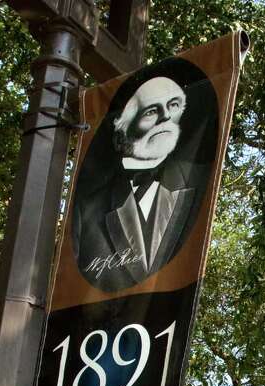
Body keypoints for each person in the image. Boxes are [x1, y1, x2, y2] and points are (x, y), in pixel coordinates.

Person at [71, 75, 205, 292]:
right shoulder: (86, 208)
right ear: (122, 129)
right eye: (151, 111)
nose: (166, 117)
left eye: (173, 105)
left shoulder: (203, 181)